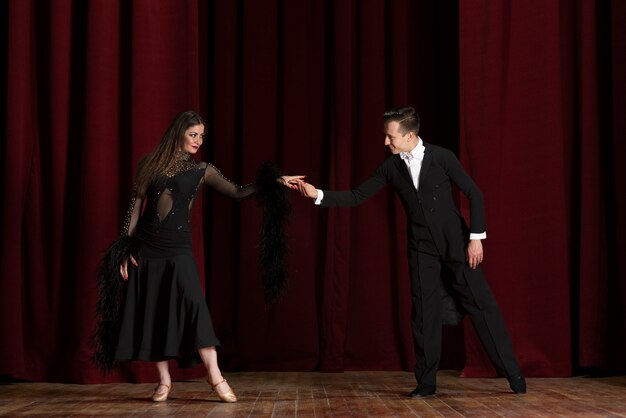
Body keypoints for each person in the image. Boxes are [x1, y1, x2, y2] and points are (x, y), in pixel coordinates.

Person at [296, 106, 526, 397]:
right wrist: (318, 195)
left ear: (410, 135)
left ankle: (514, 376)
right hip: (421, 249)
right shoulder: (391, 167)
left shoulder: (442, 157)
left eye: (390, 137)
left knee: (482, 307)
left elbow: (474, 193)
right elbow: (357, 196)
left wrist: (476, 237)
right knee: (423, 316)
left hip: (457, 245)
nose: (385, 143)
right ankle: (426, 384)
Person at [93, 110, 302, 402]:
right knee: (153, 312)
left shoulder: (202, 170)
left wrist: (274, 182)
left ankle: (215, 375)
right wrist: (124, 251)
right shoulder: (148, 165)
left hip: (178, 250)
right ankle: (164, 381)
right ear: (179, 133)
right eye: (194, 134)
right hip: (147, 250)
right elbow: (135, 208)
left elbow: (239, 192)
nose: (199, 141)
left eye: (202, 136)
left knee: (195, 308)